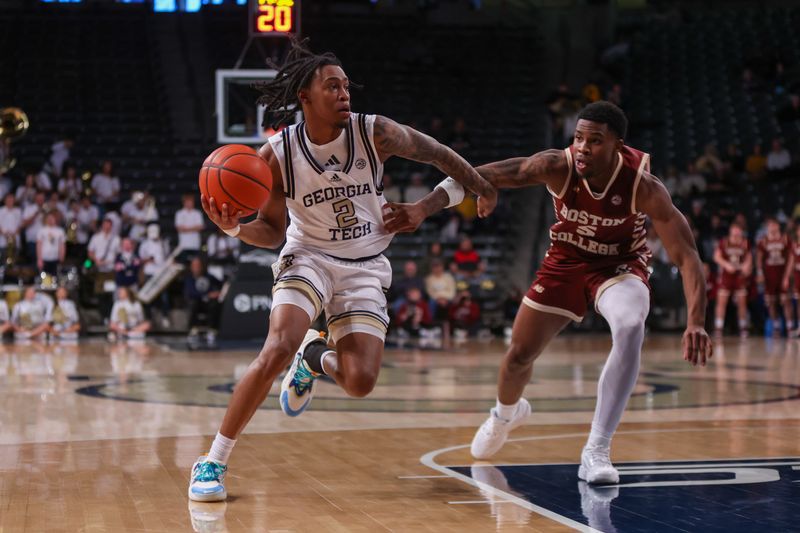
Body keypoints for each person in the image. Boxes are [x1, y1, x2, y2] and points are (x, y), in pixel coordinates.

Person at [187, 37, 496, 502]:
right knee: (276, 346)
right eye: (332, 86)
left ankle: (314, 359)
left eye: (347, 86)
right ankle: (213, 460)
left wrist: (479, 187)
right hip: (308, 256)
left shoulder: (375, 132)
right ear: (304, 98)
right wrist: (235, 229)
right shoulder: (277, 156)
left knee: (360, 381)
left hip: (366, 265)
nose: (344, 93)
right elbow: (271, 231)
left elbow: (437, 152)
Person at [396, 101, 712, 485]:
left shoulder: (643, 187)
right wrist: (423, 208)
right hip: (565, 261)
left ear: (617, 146)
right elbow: (479, 174)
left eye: (595, 141)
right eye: (578, 138)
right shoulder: (555, 166)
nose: (582, 148)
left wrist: (696, 321)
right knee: (518, 356)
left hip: (619, 266)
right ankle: (505, 414)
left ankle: (596, 450)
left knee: (630, 326)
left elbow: (689, 257)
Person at [713, 223, 752, 337]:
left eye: (738, 230)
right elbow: (716, 256)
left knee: (742, 303)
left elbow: (749, 258)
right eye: (734, 230)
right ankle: (718, 327)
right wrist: (726, 265)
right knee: (722, 302)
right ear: (730, 230)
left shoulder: (745, 243)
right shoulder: (724, 242)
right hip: (726, 276)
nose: (736, 232)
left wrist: (746, 266)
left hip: (739, 276)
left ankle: (743, 327)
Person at [756, 219, 791, 336]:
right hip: (769, 276)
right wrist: (760, 272)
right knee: (771, 302)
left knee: (786, 300)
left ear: (778, 226)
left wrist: (787, 275)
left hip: (782, 274)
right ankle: (776, 327)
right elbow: (759, 258)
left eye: (774, 225)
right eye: (769, 225)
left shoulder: (785, 239)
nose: (772, 227)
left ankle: (790, 327)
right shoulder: (764, 241)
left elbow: (791, 257)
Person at [782, 224, 800, 337]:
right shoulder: (794, 246)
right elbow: (791, 263)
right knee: (799, 303)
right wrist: (786, 277)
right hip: (798, 276)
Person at [36, 212, 66, 276]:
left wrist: (62, 256)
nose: (50, 220)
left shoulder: (60, 231)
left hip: (55, 258)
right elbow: (39, 245)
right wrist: (39, 259)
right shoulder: (42, 230)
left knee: (55, 278)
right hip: (44, 258)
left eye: (52, 218)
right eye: (49, 218)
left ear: (55, 219)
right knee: (45, 278)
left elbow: (62, 245)